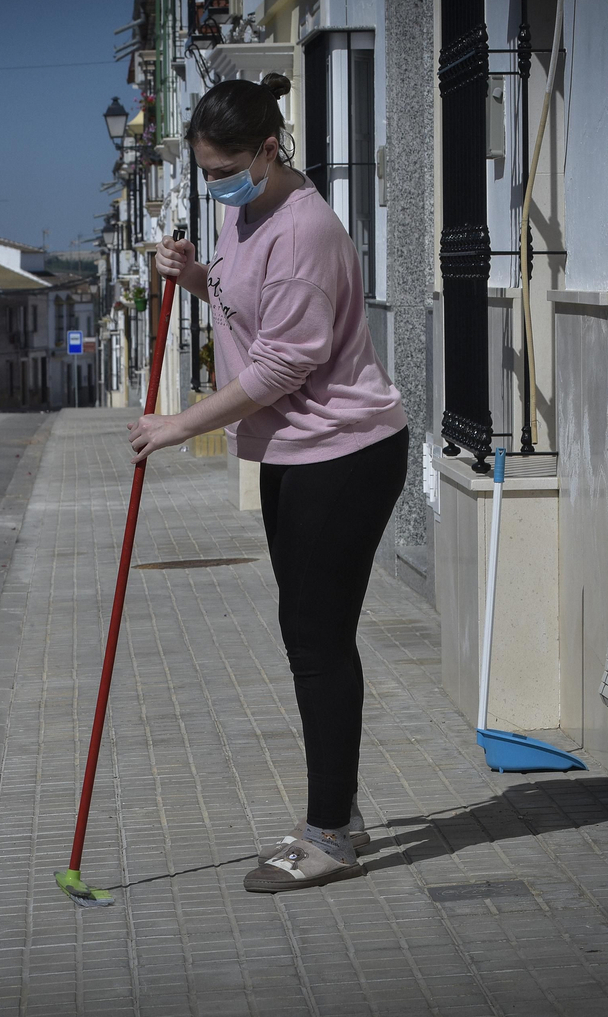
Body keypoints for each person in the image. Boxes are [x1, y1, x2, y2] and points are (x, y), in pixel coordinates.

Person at [128, 73, 409, 893]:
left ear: (269, 149)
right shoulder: (245, 217)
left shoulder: (305, 229)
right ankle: (340, 813)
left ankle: (330, 835)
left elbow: (289, 358)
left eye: (226, 167)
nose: (215, 184)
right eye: (205, 171)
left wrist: (178, 425)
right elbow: (246, 302)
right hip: (295, 453)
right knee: (307, 638)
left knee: (318, 644)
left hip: (344, 452)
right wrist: (194, 279)